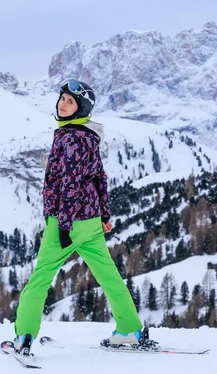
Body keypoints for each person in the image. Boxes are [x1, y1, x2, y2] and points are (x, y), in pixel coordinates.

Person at [12, 78, 146, 353]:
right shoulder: (87, 135)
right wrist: (104, 214)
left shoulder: (71, 138)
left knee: (40, 279)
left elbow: (70, 183)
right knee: (108, 275)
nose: (63, 103)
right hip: (90, 221)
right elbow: (99, 177)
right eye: (62, 98)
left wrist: (63, 225)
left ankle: (23, 335)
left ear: (80, 108)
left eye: (70, 101)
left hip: (67, 221)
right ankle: (129, 329)